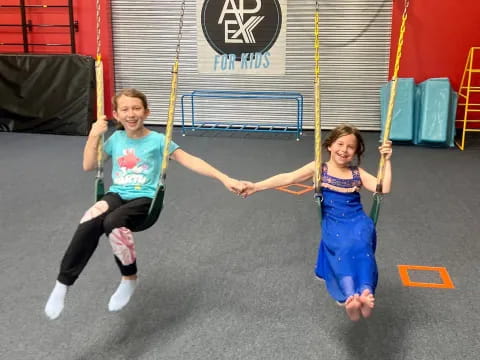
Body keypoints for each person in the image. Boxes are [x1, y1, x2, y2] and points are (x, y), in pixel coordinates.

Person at [45, 88, 245, 320]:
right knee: (91, 217)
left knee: (114, 223)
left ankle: (129, 278)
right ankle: (63, 283)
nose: (131, 114)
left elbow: (191, 160)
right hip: (117, 194)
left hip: (144, 199)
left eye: (137, 108)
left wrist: (224, 178)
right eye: (125, 109)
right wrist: (93, 135)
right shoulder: (115, 139)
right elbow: (89, 165)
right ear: (117, 115)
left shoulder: (158, 140)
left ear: (146, 112)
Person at [240, 124, 392, 321]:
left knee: (362, 242)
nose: (344, 150)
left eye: (350, 147)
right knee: (344, 247)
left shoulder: (357, 173)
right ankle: (350, 296)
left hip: (357, 220)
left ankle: (365, 291)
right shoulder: (319, 168)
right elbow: (288, 177)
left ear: (356, 151)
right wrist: (256, 186)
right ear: (330, 145)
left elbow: (383, 188)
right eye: (340, 144)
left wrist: (386, 161)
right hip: (334, 222)